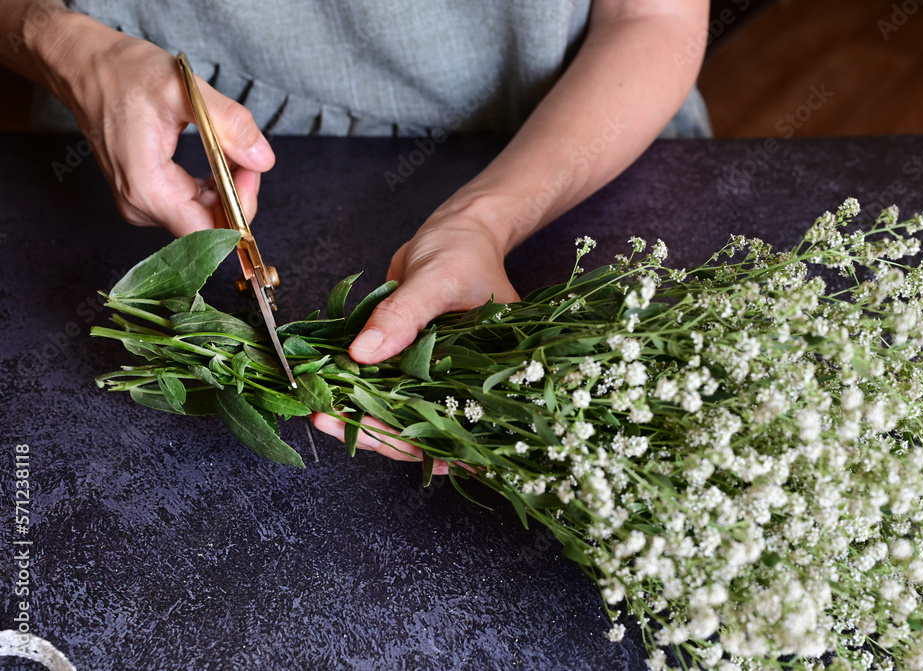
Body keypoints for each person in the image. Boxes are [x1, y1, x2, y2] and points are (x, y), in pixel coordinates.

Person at [1, 0, 711, 472]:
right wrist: (56, 40)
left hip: (575, 141)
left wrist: (486, 219)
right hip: (133, 124)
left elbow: (651, 16)